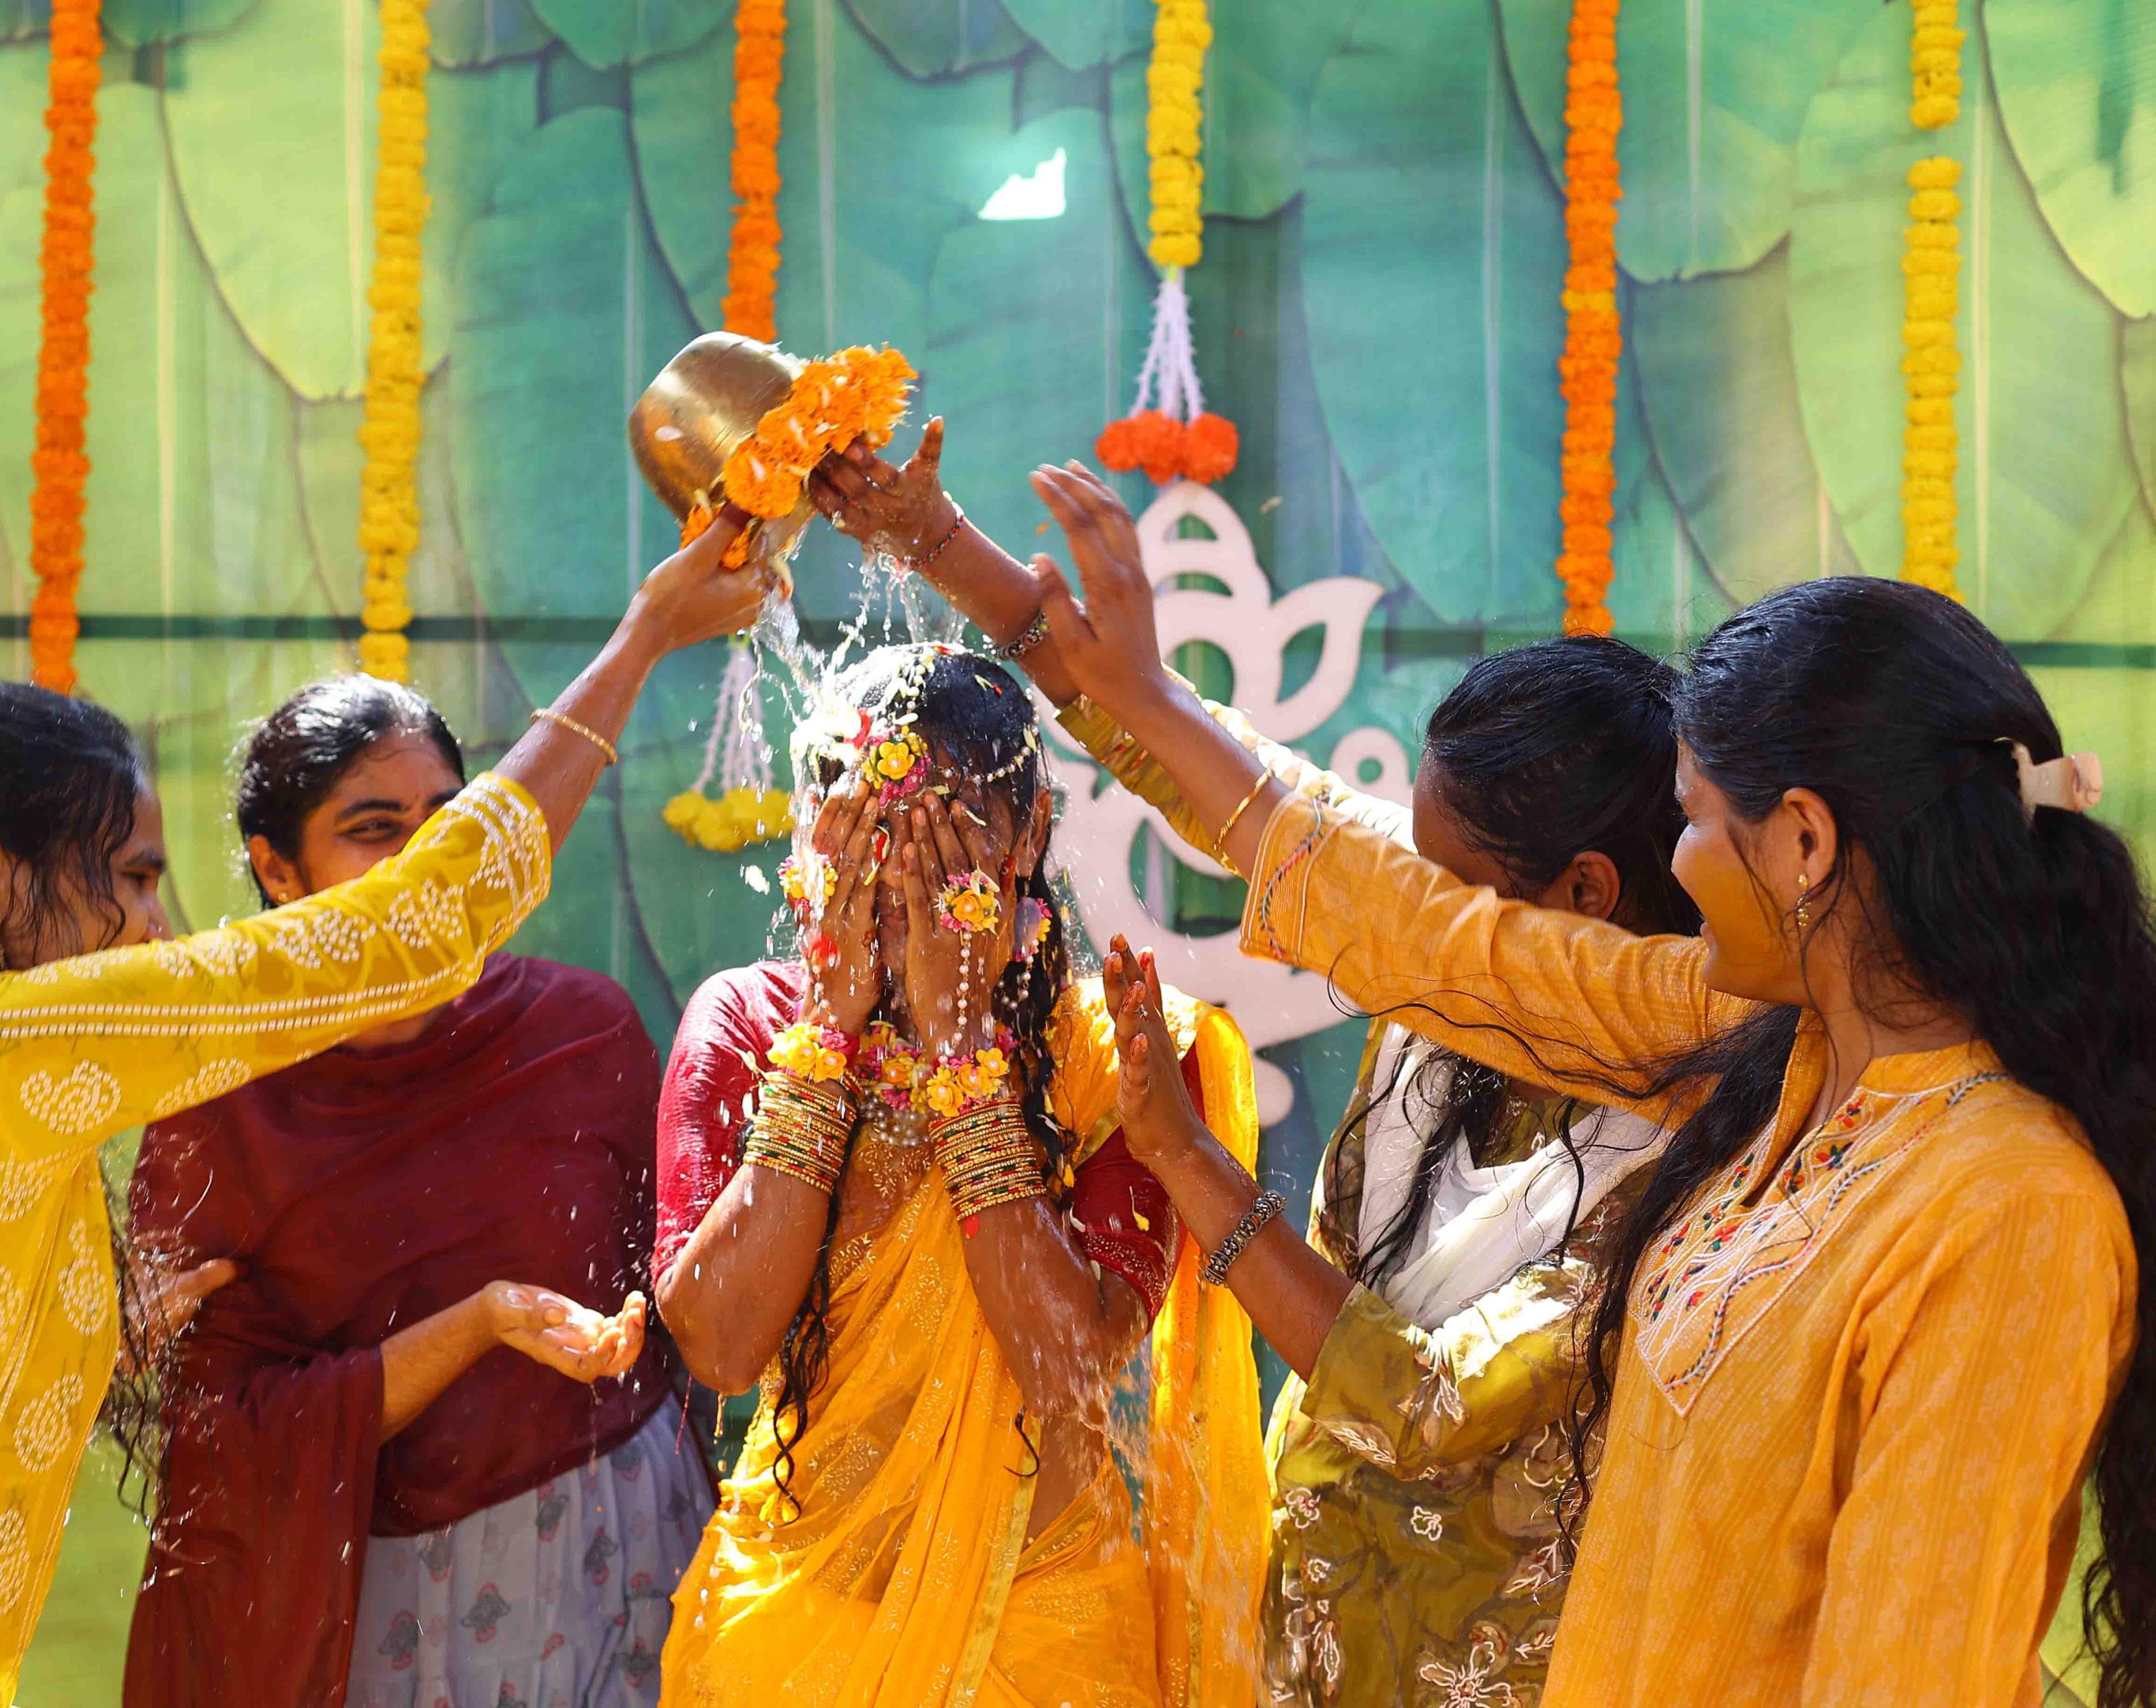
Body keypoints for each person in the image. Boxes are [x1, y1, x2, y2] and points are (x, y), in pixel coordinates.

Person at [1023, 462, 2152, 1708]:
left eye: (1694, 818)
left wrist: (1191, 1166)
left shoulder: (2010, 1213)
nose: (1674, 862)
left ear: (1806, 845)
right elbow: (1420, 928)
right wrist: (1035, 618)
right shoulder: (1776, 1059)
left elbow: (1906, 1673)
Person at [0, 514, 762, 1705]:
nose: (159, 925)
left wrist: (100, 1332)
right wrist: (649, 631)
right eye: (135, 878)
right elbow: (406, 936)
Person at [811, 424, 1706, 1703]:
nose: (1393, 913)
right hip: (1315, 1628)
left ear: (1585, 893)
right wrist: (934, 545)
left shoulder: (1693, 1126)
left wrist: (1184, 1161)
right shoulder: (1453, 993)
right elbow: (1186, 762)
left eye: (1441, 887)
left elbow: (1425, 1409)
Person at [652, 644, 1266, 1708]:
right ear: (814, 833)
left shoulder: (1123, 1063)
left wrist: (962, 1048)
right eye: (866, 828)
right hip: (791, 1630)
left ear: (1028, 835)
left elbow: (1066, 1364)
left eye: (942, 831)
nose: (897, 870)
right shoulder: (750, 1023)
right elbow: (721, 1346)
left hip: (1044, 1633)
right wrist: (831, 1032)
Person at [123, 675, 715, 1708]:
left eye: (449, 821)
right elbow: (219, 1439)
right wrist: (475, 1327)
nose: (428, 864)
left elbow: (684, 1319)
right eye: (375, 828)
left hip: (628, 1565)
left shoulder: (585, 1034)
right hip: (372, 1613)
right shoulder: (218, 1108)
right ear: (279, 870)